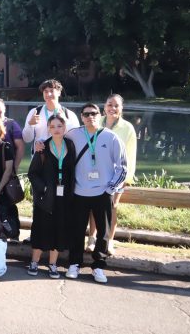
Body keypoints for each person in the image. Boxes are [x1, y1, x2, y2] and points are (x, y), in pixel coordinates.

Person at [64, 103, 127, 284]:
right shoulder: (73, 134)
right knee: (76, 230)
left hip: (102, 192)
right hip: (79, 192)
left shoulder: (111, 137)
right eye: (86, 114)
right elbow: (56, 142)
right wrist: (39, 145)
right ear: (81, 117)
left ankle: (98, 265)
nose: (90, 117)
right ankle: (74, 263)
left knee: (103, 232)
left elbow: (122, 166)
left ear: (99, 115)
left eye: (94, 113)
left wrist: (111, 188)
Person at [86, 94, 137, 255]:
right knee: (94, 206)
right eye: (109, 104)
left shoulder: (127, 128)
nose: (112, 108)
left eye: (116, 105)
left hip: (117, 175)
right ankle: (92, 239)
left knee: (112, 207)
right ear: (104, 107)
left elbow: (130, 155)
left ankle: (109, 241)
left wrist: (125, 179)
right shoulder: (96, 121)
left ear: (121, 109)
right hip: (95, 173)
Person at [26, 114, 76, 278]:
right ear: (48, 128)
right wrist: (45, 188)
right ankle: (34, 261)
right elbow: (32, 173)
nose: (56, 129)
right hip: (45, 198)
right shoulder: (42, 148)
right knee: (41, 228)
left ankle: (53, 264)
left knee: (59, 229)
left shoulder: (70, 145)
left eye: (59, 126)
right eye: (52, 126)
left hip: (65, 197)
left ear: (64, 128)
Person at [22, 80, 80, 154]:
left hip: (62, 158)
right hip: (41, 158)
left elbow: (75, 139)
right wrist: (30, 125)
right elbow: (26, 139)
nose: (48, 94)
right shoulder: (35, 112)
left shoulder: (69, 115)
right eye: (45, 91)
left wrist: (65, 122)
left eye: (52, 91)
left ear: (59, 92)